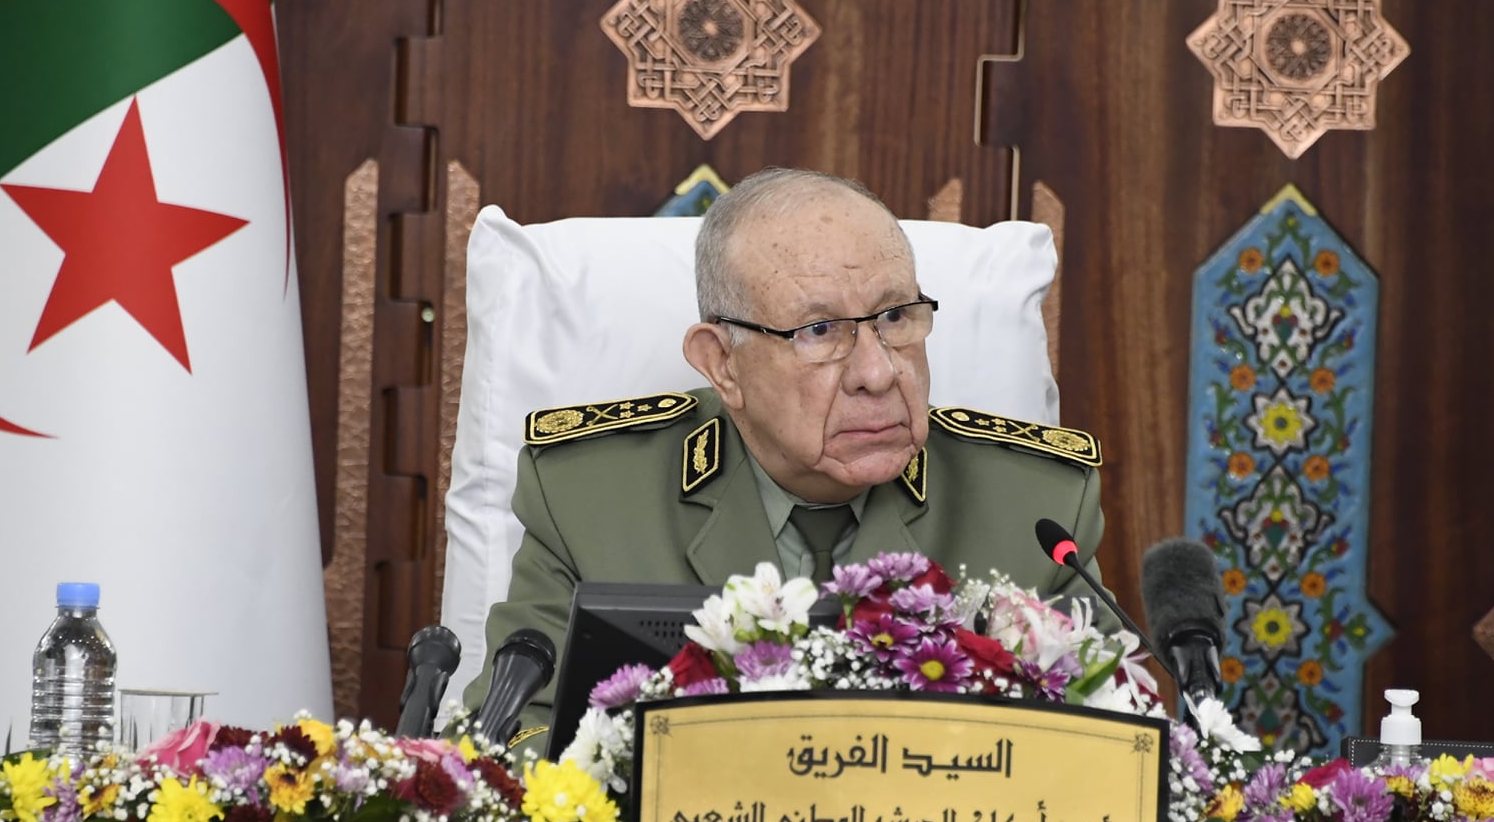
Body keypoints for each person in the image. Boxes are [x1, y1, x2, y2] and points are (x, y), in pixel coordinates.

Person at [462, 168, 1117, 745]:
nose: (878, 372)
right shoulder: (589, 498)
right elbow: (516, 737)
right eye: (820, 330)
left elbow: (1121, 745)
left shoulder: (1037, 512)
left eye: (895, 317)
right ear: (723, 363)